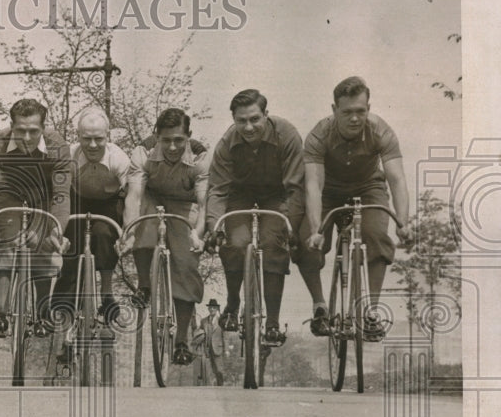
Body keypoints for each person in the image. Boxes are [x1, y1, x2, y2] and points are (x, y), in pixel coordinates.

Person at [295, 76, 411, 340]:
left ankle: (370, 311)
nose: (355, 118)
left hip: (367, 187)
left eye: (361, 111)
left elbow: (396, 178)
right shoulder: (318, 135)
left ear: (368, 108)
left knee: (377, 236)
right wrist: (316, 230)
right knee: (307, 243)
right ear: (334, 110)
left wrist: (403, 222)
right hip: (328, 190)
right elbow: (313, 184)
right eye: (347, 112)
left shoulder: (381, 131)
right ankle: (319, 306)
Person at [205, 88, 304, 347]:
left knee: (273, 244)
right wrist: (213, 225)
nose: (248, 127)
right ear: (234, 120)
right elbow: (217, 188)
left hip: (276, 194)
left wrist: (290, 226)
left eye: (254, 119)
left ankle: (272, 322)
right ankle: (233, 301)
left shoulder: (288, 135)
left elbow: (295, 186)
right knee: (236, 243)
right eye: (241, 121)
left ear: (266, 115)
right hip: (241, 193)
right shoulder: (227, 143)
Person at [122, 107, 208, 365]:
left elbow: (205, 202)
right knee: (144, 223)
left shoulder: (202, 157)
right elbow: (135, 196)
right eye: (166, 140)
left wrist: (198, 235)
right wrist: (129, 231)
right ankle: (144, 285)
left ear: (188, 136)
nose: (172, 147)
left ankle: (181, 339)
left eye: (179, 140)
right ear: (156, 136)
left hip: (184, 204)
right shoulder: (143, 152)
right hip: (153, 196)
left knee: (186, 264)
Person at [0, 98, 75, 338]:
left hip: (44, 196)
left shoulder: (58, 146)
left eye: (33, 131)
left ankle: (43, 313)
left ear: (44, 128)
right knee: (7, 239)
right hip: (9, 192)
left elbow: (61, 195)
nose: (26, 138)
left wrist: (57, 230)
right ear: (11, 126)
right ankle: (1, 313)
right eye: (20, 130)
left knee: (44, 243)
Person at [49, 108, 131, 327]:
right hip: (77, 198)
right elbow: (60, 193)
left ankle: (106, 292)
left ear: (108, 136)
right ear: (78, 136)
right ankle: (64, 311)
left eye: (99, 139)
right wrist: (57, 228)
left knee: (105, 235)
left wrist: (127, 232)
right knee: (72, 245)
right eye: (87, 139)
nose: (93, 145)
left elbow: (133, 197)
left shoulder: (119, 158)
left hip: (108, 202)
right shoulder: (71, 155)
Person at [199, 298, 226, 386]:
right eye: (210, 307)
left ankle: (220, 386)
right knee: (209, 370)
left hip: (218, 348)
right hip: (207, 349)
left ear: (217, 309)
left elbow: (225, 335)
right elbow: (200, 334)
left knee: (219, 370)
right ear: (208, 309)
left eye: (214, 308)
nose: (212, 309)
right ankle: (210, 388)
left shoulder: (221, 320)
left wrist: (228, 349)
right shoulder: (204, 321)